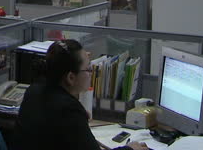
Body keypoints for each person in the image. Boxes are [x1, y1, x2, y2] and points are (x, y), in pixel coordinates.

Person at [18, 39, 148, 150]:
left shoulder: (34, 90)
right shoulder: (68, 110)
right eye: (88, 69)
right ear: (71, 77)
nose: (91, 72)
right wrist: (130, 148)